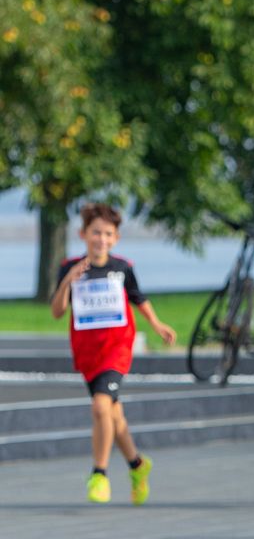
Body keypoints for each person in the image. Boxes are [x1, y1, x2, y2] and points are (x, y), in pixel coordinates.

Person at [50, 203, 176, 504]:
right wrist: (69, 280)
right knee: (112, 414)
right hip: (88, 352)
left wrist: (157, 324)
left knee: (100, 407)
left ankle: (99, 473)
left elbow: (138, 298)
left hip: (116, 349)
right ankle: (137, 464)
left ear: (116, 238)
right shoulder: (69, 267)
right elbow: (57, 312)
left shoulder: (122, 268)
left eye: (108, 234)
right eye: (96, 233)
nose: (101, 239)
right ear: (83, 234)